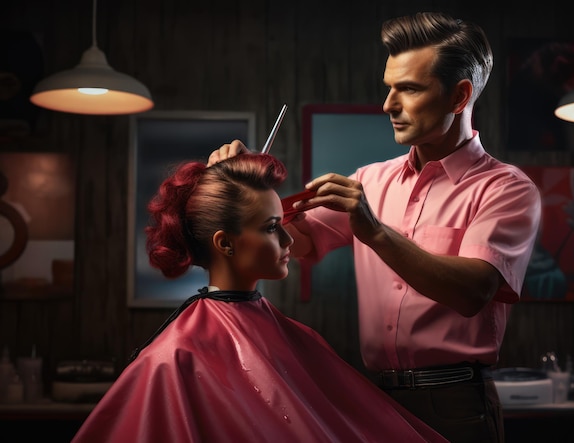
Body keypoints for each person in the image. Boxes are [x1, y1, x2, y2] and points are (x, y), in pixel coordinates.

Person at [208, 12, 542, 442]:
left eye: (410, 89)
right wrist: (250, 188)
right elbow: (303, 243)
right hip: (374, 397)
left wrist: (377, 233)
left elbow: (472, 293)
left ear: (459, 96)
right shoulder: (371, 180)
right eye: (389, 88)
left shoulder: (506, 189)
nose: (388, 105)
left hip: (456, 404)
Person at [71, 153, 446, 443]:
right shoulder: (177, 357)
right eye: (271, 228)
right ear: (225, 243)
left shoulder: (295, 337)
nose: (287, 241)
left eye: (282, 225)